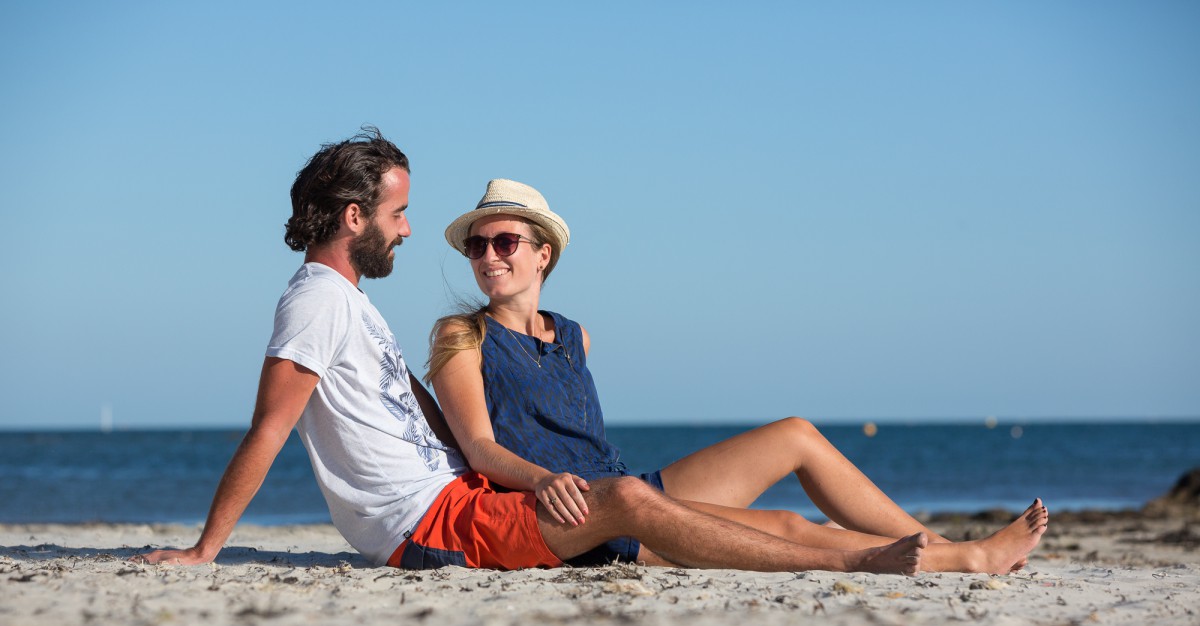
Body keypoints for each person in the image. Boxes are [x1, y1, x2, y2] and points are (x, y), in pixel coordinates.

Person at [131, 127, 932, 575]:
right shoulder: (315, 301)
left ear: (544, 252)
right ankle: (859, 565)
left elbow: (423, 413)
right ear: (352, 216)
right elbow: (270, 428)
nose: (410, 229)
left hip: (462, 499)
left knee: (677, 497)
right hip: (431, 525)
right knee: (626, 500)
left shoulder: (350, 306)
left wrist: (495, 469)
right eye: (398, 213)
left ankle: (929, 551)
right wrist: (207, 550)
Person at [426, 178, 1049, 573]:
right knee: (788, 527)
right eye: (475, 247)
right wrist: (544, 481)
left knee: (796, 433)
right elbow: (479, 448)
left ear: (542, 254)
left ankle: (941, 545)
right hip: (579, 514)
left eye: (503, 242)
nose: (487, 257)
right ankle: (966, 560)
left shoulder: (573, 336)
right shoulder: (462, 337)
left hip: (628, 488)